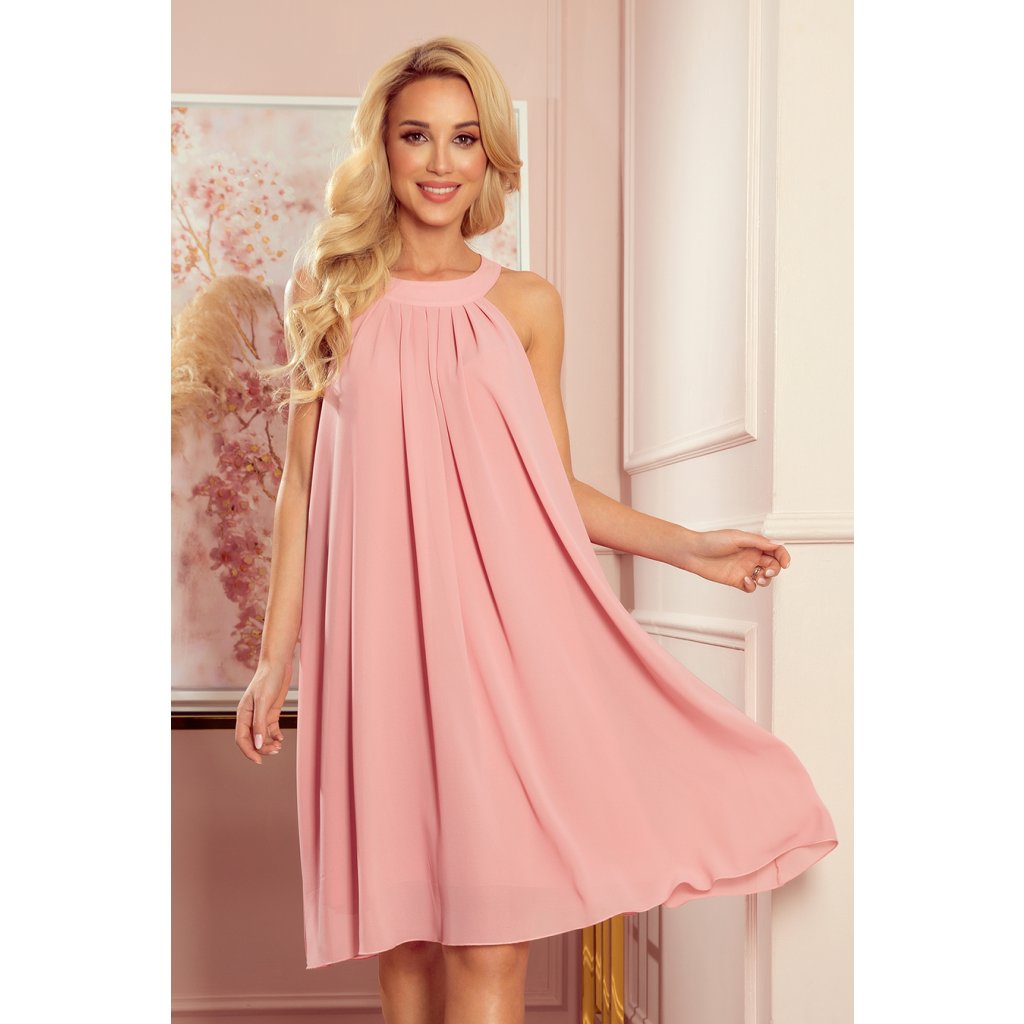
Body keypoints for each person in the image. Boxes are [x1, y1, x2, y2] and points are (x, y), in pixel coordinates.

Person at [233, 35, 836, 1024]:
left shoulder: (526, 305)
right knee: (407, 947)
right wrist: (273, 661)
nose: (440, 162)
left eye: (464, 138)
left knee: (490, 945)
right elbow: (300, 487)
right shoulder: (328, 292)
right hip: (375, 659)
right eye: (416, 136)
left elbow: (551, 490)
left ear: (490, 154)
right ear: (381, 148)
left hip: (497, 660)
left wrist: (690, 547)